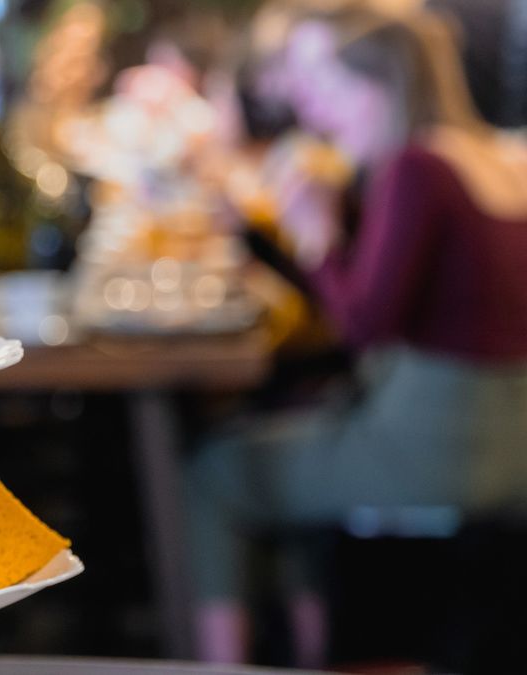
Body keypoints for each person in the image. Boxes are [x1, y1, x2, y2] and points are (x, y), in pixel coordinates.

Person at [186, 6, 527, 666]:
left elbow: (363, 326)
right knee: (285, 443)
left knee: (213, 470)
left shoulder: (416, 168)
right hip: (513, 442)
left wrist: (315, 230)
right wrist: (269, 239)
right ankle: (314, 651)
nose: (317, 111)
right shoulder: (495, 156)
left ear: (381, 85)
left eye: (331, 88)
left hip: (439, 444)